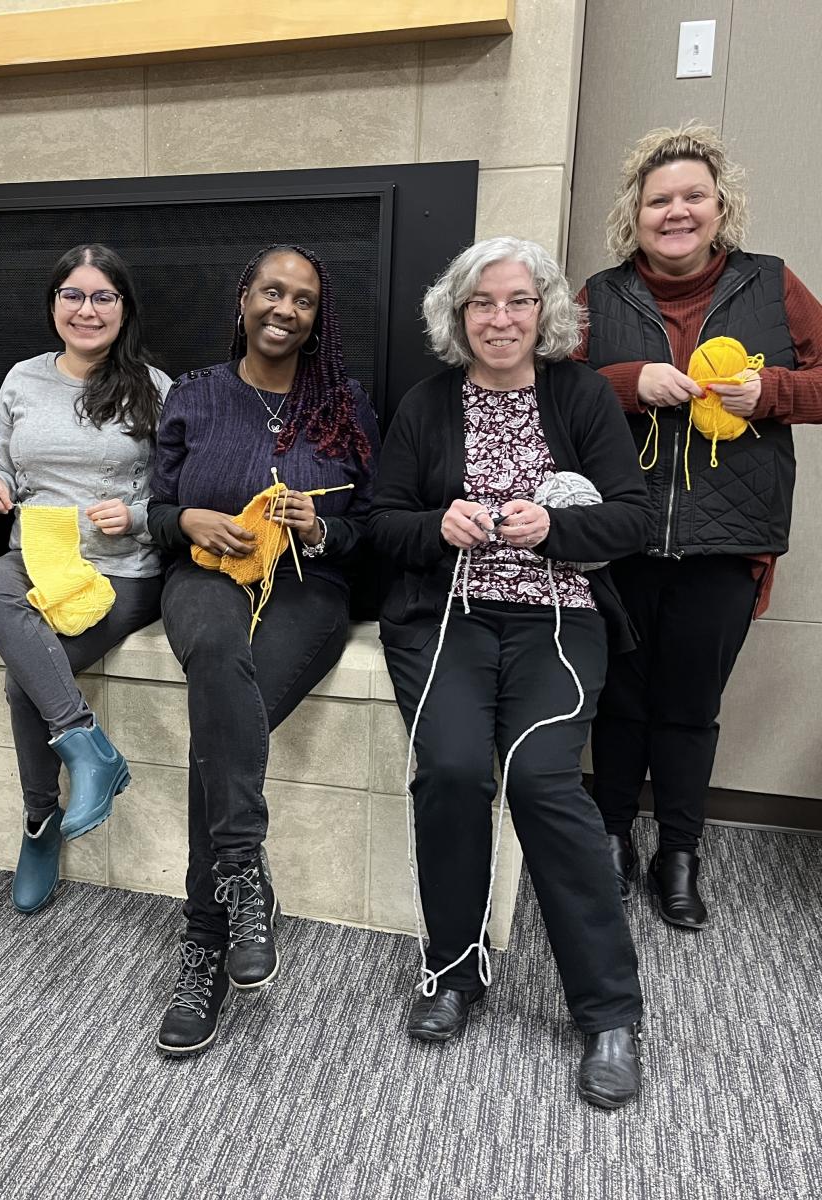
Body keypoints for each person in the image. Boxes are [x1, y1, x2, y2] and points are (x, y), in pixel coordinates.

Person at [369, 237, 647, 1109]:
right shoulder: (424, 404)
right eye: (483, 303)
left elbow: (630, 520)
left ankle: (609, 1013)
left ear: (544, 311)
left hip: (558, 622)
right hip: (447, 616)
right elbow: (382, 520)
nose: (500, 318)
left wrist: (553, 532)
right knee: (450, 771)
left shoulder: (582, 396)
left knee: (540, 783)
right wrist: (435, 527)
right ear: (460, 316)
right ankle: (455, 970)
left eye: (518, 301)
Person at [577, 124, 822, 929]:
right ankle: (610, 835)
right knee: (616, 697)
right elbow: (552, 394)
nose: (676, 212)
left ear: (720, 208)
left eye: (693, 197)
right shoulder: (597, 297)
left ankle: (678, 853)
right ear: (635, 214)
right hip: (620, 534)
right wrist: (627, 381)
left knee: (688, 705)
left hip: (727, 540)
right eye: (659, 200)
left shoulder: (773, 284)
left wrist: (776, 392)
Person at [147, 243, 379, 1056]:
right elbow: (153, 506)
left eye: (304, 299)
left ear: (319, 318)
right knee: (214, 657)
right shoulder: (196, 394)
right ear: (244, 298)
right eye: (271, 292)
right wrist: (186, 520)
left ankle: (205, 939)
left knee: (221, 733)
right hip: (204, 573)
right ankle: (241, 877)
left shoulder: (344, 403)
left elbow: (371, 527)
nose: (285, 308)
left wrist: (324, 528)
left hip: (310, 588)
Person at [0, 244, 171, 913]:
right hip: (40, 559)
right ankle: (87, 748)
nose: (87, 310)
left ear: (124, 308)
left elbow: (180, 498)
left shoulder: (157, 387)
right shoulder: (22, 380)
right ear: (54, 304)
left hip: (121, 572)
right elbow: (4, 469)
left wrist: (138, 516)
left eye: (103, 297)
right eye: (73, 296)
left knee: (27, 681)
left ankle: (38, 823)